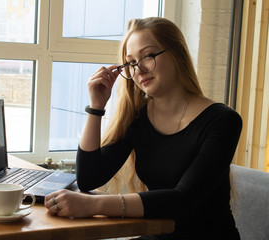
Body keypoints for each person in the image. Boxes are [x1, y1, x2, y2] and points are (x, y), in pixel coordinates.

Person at [44, 17, 242, 240]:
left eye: (148, 56)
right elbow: (89, 178)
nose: (139, 69)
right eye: (130, 63)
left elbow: (183, 200)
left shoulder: (223, 121)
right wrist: (96, 107)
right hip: (155, 235)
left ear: (177, 54)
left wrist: (93, 204)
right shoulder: (138, 116)